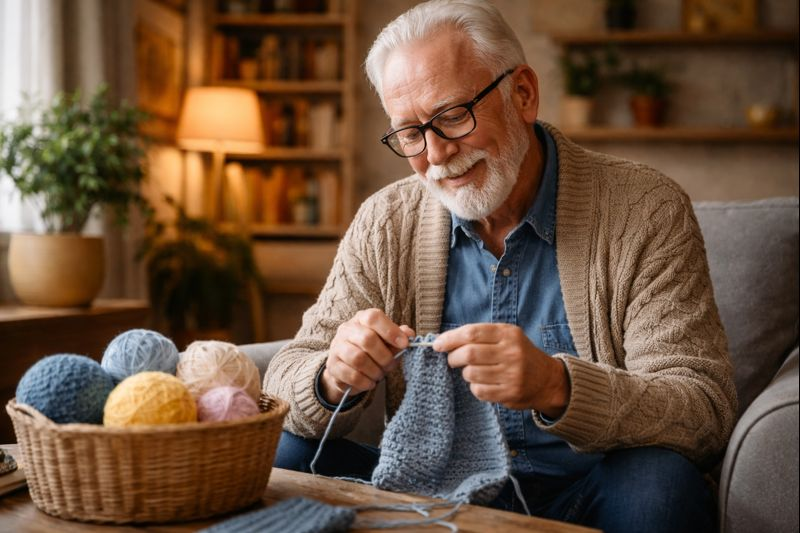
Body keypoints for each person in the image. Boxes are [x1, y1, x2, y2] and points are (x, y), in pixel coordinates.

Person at [264, 1, 737, 531]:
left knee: (662, 487)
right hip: (428, 495)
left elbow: (703, 409)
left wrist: (558, 386)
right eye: (411, 133)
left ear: (523, 94)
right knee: (284, 453)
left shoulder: (644, 208)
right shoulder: (385, 221)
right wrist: (332, 377)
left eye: (451, 116)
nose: (436, 154)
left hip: (587, 492)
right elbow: (283, 379)